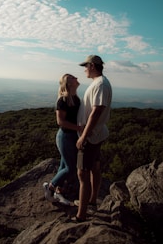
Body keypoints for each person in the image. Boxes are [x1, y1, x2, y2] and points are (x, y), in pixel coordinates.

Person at [73, 55, 112, 222]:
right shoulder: (99, 83)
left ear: (92, 66)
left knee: (82, 173)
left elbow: (96, 112)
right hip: (98, 134)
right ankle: (92, 201)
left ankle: (81, 215)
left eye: (85, 66)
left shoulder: (101, 84)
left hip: (91, 136)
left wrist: (84, 136)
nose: (84, 70)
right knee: (95, 167)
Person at [43, 73, 83, 205]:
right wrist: (79, 128)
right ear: (68, 83)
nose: (76, 78)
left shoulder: (75, 99)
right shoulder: (63, 100)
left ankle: (58, 191)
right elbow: (60, 121)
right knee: (71, 168)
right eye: (73, 77)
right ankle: (50, 187)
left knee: (64, 165)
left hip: (72, 137)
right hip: (65, 137)